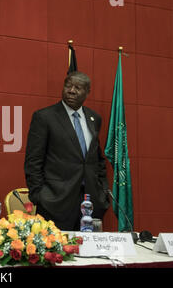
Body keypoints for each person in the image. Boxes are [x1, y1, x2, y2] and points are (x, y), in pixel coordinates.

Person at [24, 71, 109, 231]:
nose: (71, 90)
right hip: (55, 202)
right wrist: (40, 197)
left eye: (78, 87)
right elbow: (33, 161)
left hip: (90, 203)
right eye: (68, 86)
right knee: (57, 254)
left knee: (89, 252)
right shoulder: (45, 117)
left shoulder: (94, 118)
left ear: (87, 92)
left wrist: (103, 191)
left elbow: (97, 159)